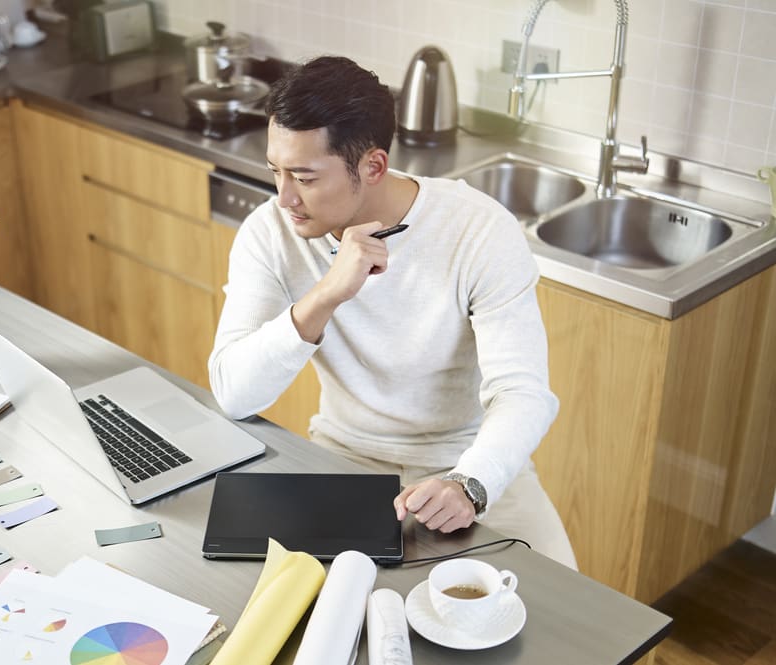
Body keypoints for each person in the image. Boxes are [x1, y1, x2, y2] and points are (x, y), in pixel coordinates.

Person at [207, 56, 577, 568]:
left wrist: (471, 483)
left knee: (568, 615)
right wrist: (326, 294)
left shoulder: (479, 231)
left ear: (373, 166)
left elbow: (524, 393)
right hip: (344, 459)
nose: (284, 197)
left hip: (468, 462)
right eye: (276, 171)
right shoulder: (269, 233)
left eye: (305, 177)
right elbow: (233, 392)